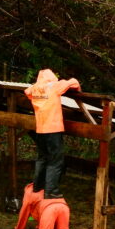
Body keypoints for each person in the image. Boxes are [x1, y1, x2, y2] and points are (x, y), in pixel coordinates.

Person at [24, 69, 80, 199]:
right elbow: (75, 82)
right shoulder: (54, 87)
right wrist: (66, 83)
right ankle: (51, 191)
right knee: (55, 161)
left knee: (42, 158)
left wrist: (38, 86)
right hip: (53, 129)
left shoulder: (35, 89)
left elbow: (27, 91)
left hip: (40, 129)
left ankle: (38, 186)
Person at [14, 183, 80, 229]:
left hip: (49, 209)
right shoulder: (49, 186)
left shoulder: (30, 191)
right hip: (64, 207)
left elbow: (24, 212)